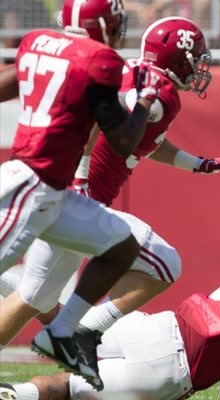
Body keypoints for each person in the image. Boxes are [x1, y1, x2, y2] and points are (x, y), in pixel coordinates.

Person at [0, 14, 220, 389]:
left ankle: (74, 329)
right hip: (78, 195)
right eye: (196, 57)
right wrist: (80, 172)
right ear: (178, 59)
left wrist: (199, 164)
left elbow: (148, 143)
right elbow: (110, 125)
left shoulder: (143, 80)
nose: (200, 66)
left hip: (71, 196)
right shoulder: (155, 89)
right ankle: (85, 330)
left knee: (31, 298)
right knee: (164, 262)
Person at [0, 0, 164, 389]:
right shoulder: (100, 60)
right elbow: (124, 142)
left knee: (121, 247)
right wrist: (144, 100)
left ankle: (62, 333)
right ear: (104, 24)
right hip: (30, 185)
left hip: (54, 193)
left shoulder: (38, 42)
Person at [1, 229, 220, 400]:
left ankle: (19, 289)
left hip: (157, 326)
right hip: (170, 367)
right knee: (62, 390)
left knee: (72, 326)